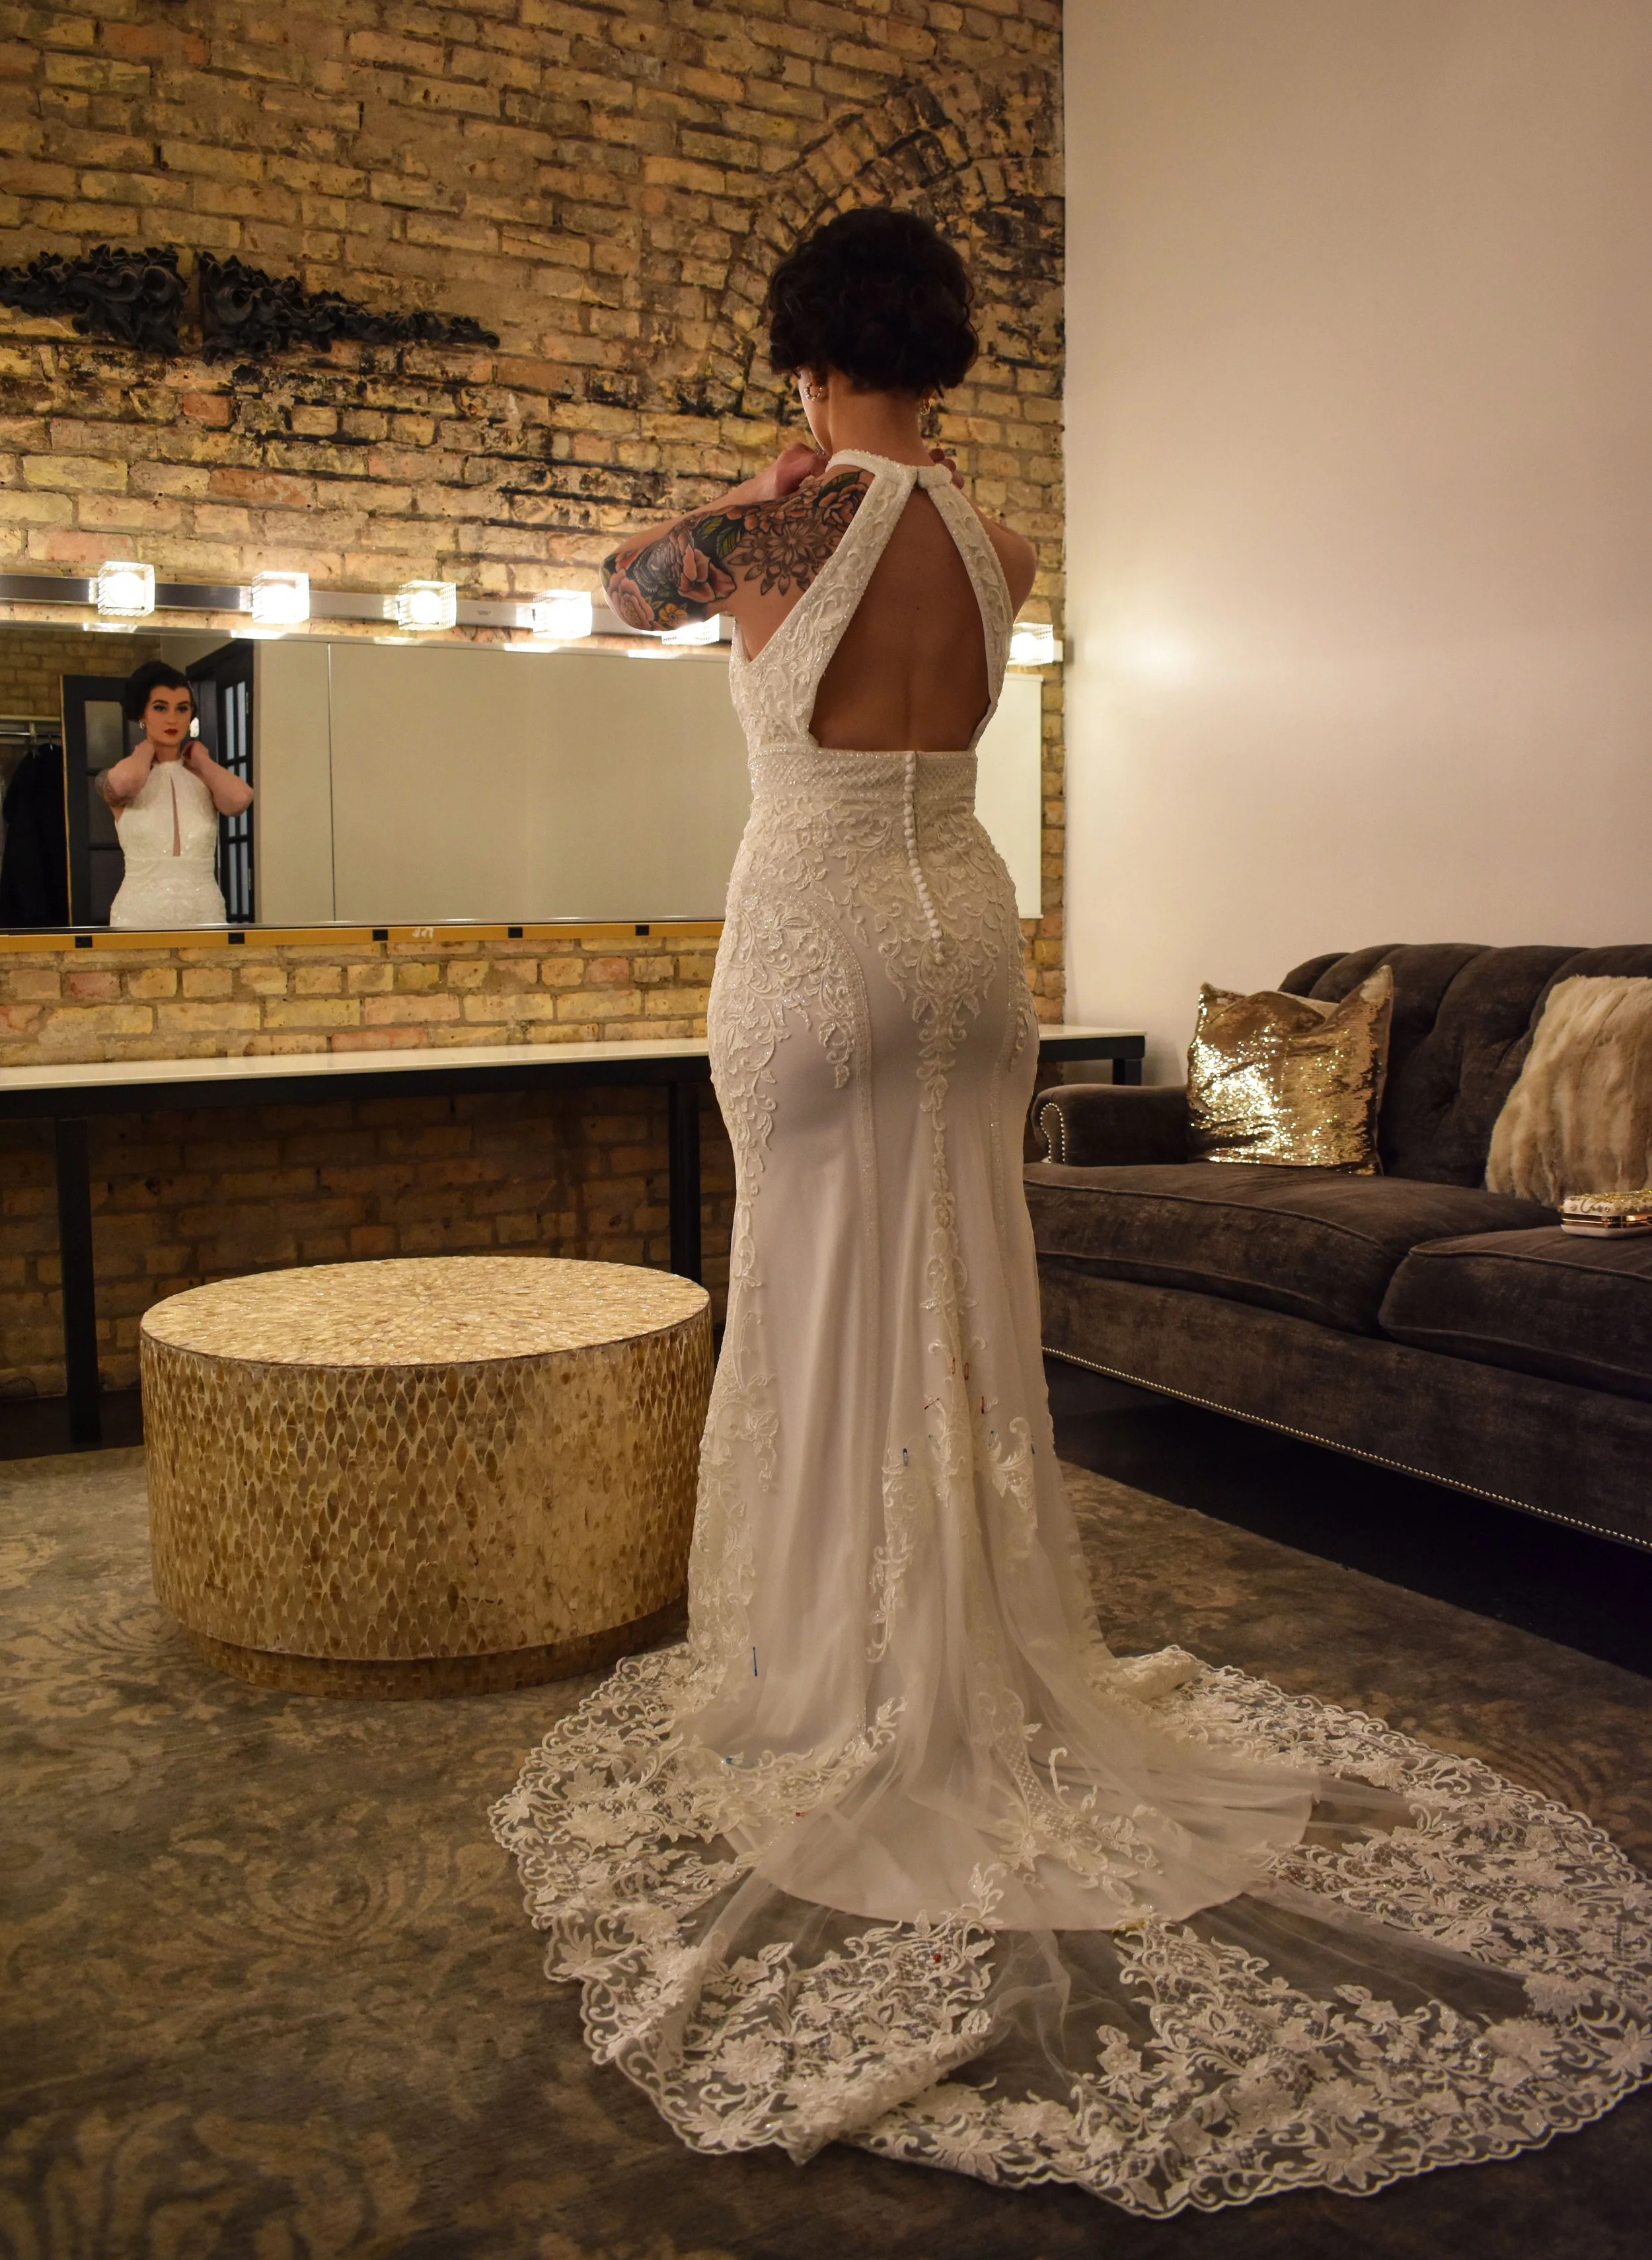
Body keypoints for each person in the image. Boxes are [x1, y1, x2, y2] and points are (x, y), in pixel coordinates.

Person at [492, 207, 1652, 2213]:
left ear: (800, 356)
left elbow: (614, 593)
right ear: (945, 356)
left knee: (812, 1293)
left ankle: (841, 1682)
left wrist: (737, 496)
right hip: (964, 942)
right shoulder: (999, 546)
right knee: (946, 1298)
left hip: (818, 932)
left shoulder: (769, 537)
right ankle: (936, 1650)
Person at [100, 661, 251, 928]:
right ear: (141, 713)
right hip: (139, 916)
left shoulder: (203, 776)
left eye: (182, 708)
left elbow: (240, 800)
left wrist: (203, 762)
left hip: (204, 914)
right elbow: (128, 782)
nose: (172, 719)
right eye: (160, 708)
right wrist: (146, 749)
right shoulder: (121, 774)